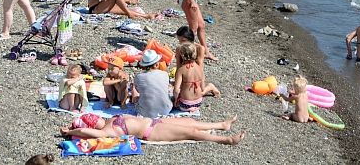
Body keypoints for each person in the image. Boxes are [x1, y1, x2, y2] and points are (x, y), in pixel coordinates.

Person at [60, 112, 245, 145]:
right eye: (94, 120)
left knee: (189, 121)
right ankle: (227, 140)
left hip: (154, 121)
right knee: (191, 133)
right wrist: (70, 132)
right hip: (152, 132)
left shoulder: (109, 121)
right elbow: (84, 133)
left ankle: (222, 125)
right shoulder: (106, 131)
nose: (97, 118)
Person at [174, 43, 220, 112]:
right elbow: (202, 88)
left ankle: (186, 108)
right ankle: (210, 87)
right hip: (198, 102)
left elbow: (176, 90)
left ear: (182, 55)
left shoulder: (181, 70)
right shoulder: (199, 68)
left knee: (174, 99)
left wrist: (175, 100)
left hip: (185, 104)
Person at [131, 50, 173, 118]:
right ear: (156, 64)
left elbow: (139, 91)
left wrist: (133, 88)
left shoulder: (139, 77)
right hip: (166, 110)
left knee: (134, 88)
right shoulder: (164, 74)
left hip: (145, 113)